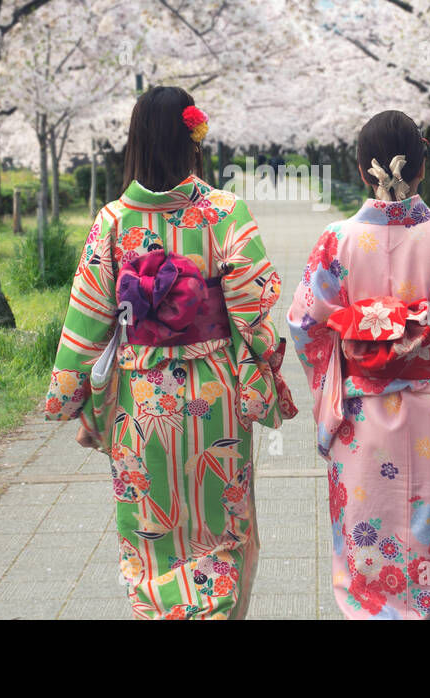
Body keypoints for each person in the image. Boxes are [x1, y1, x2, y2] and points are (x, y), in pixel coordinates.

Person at [43, 86, 296, 620]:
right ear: (193, 139)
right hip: (215, 395)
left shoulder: (112, 222)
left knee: (150, 534)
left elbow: (87, 322)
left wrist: (74, 401)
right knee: (221, 529)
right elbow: (253, 314)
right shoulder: (226, 213)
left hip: (140, 400)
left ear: (135, 142)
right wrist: (267, 369)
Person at [287, 109, 430, 620]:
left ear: (362, 170)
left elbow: (304, 325)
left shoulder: (336, 241)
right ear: (423, 167)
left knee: (362, 542)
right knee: (428, 544)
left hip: (359, 418)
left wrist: (341, 373)